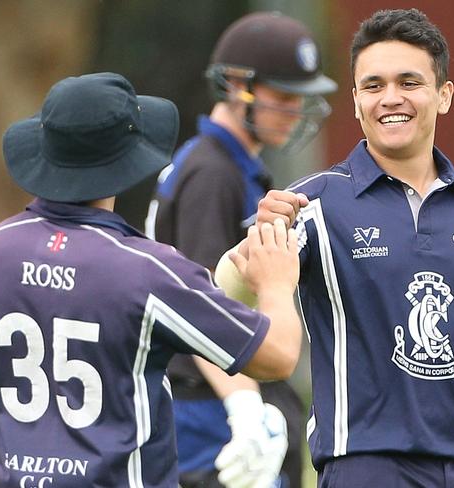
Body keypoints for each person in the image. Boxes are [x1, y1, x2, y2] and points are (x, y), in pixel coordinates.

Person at [0, 72, 304, 487]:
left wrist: (38, 344)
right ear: (128, 160)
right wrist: (277, 283)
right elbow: (277, 357)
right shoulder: (150, 271)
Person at [221, 8, 454, 488]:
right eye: (373, 86)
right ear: (356, 101)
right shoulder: (310, 203)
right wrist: (256, 246)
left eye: (409, 82)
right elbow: (223, 291)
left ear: (443, 95)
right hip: (365, 466)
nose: (390, 99)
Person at [145, 11, 337, 488]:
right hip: (206, 402)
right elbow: (204, 305)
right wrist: (245, 409)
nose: (295, 110)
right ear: (236, 85)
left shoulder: (229, 165)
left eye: (301, 97)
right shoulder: (213, 175)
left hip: (221, 391)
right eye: (283, 94)